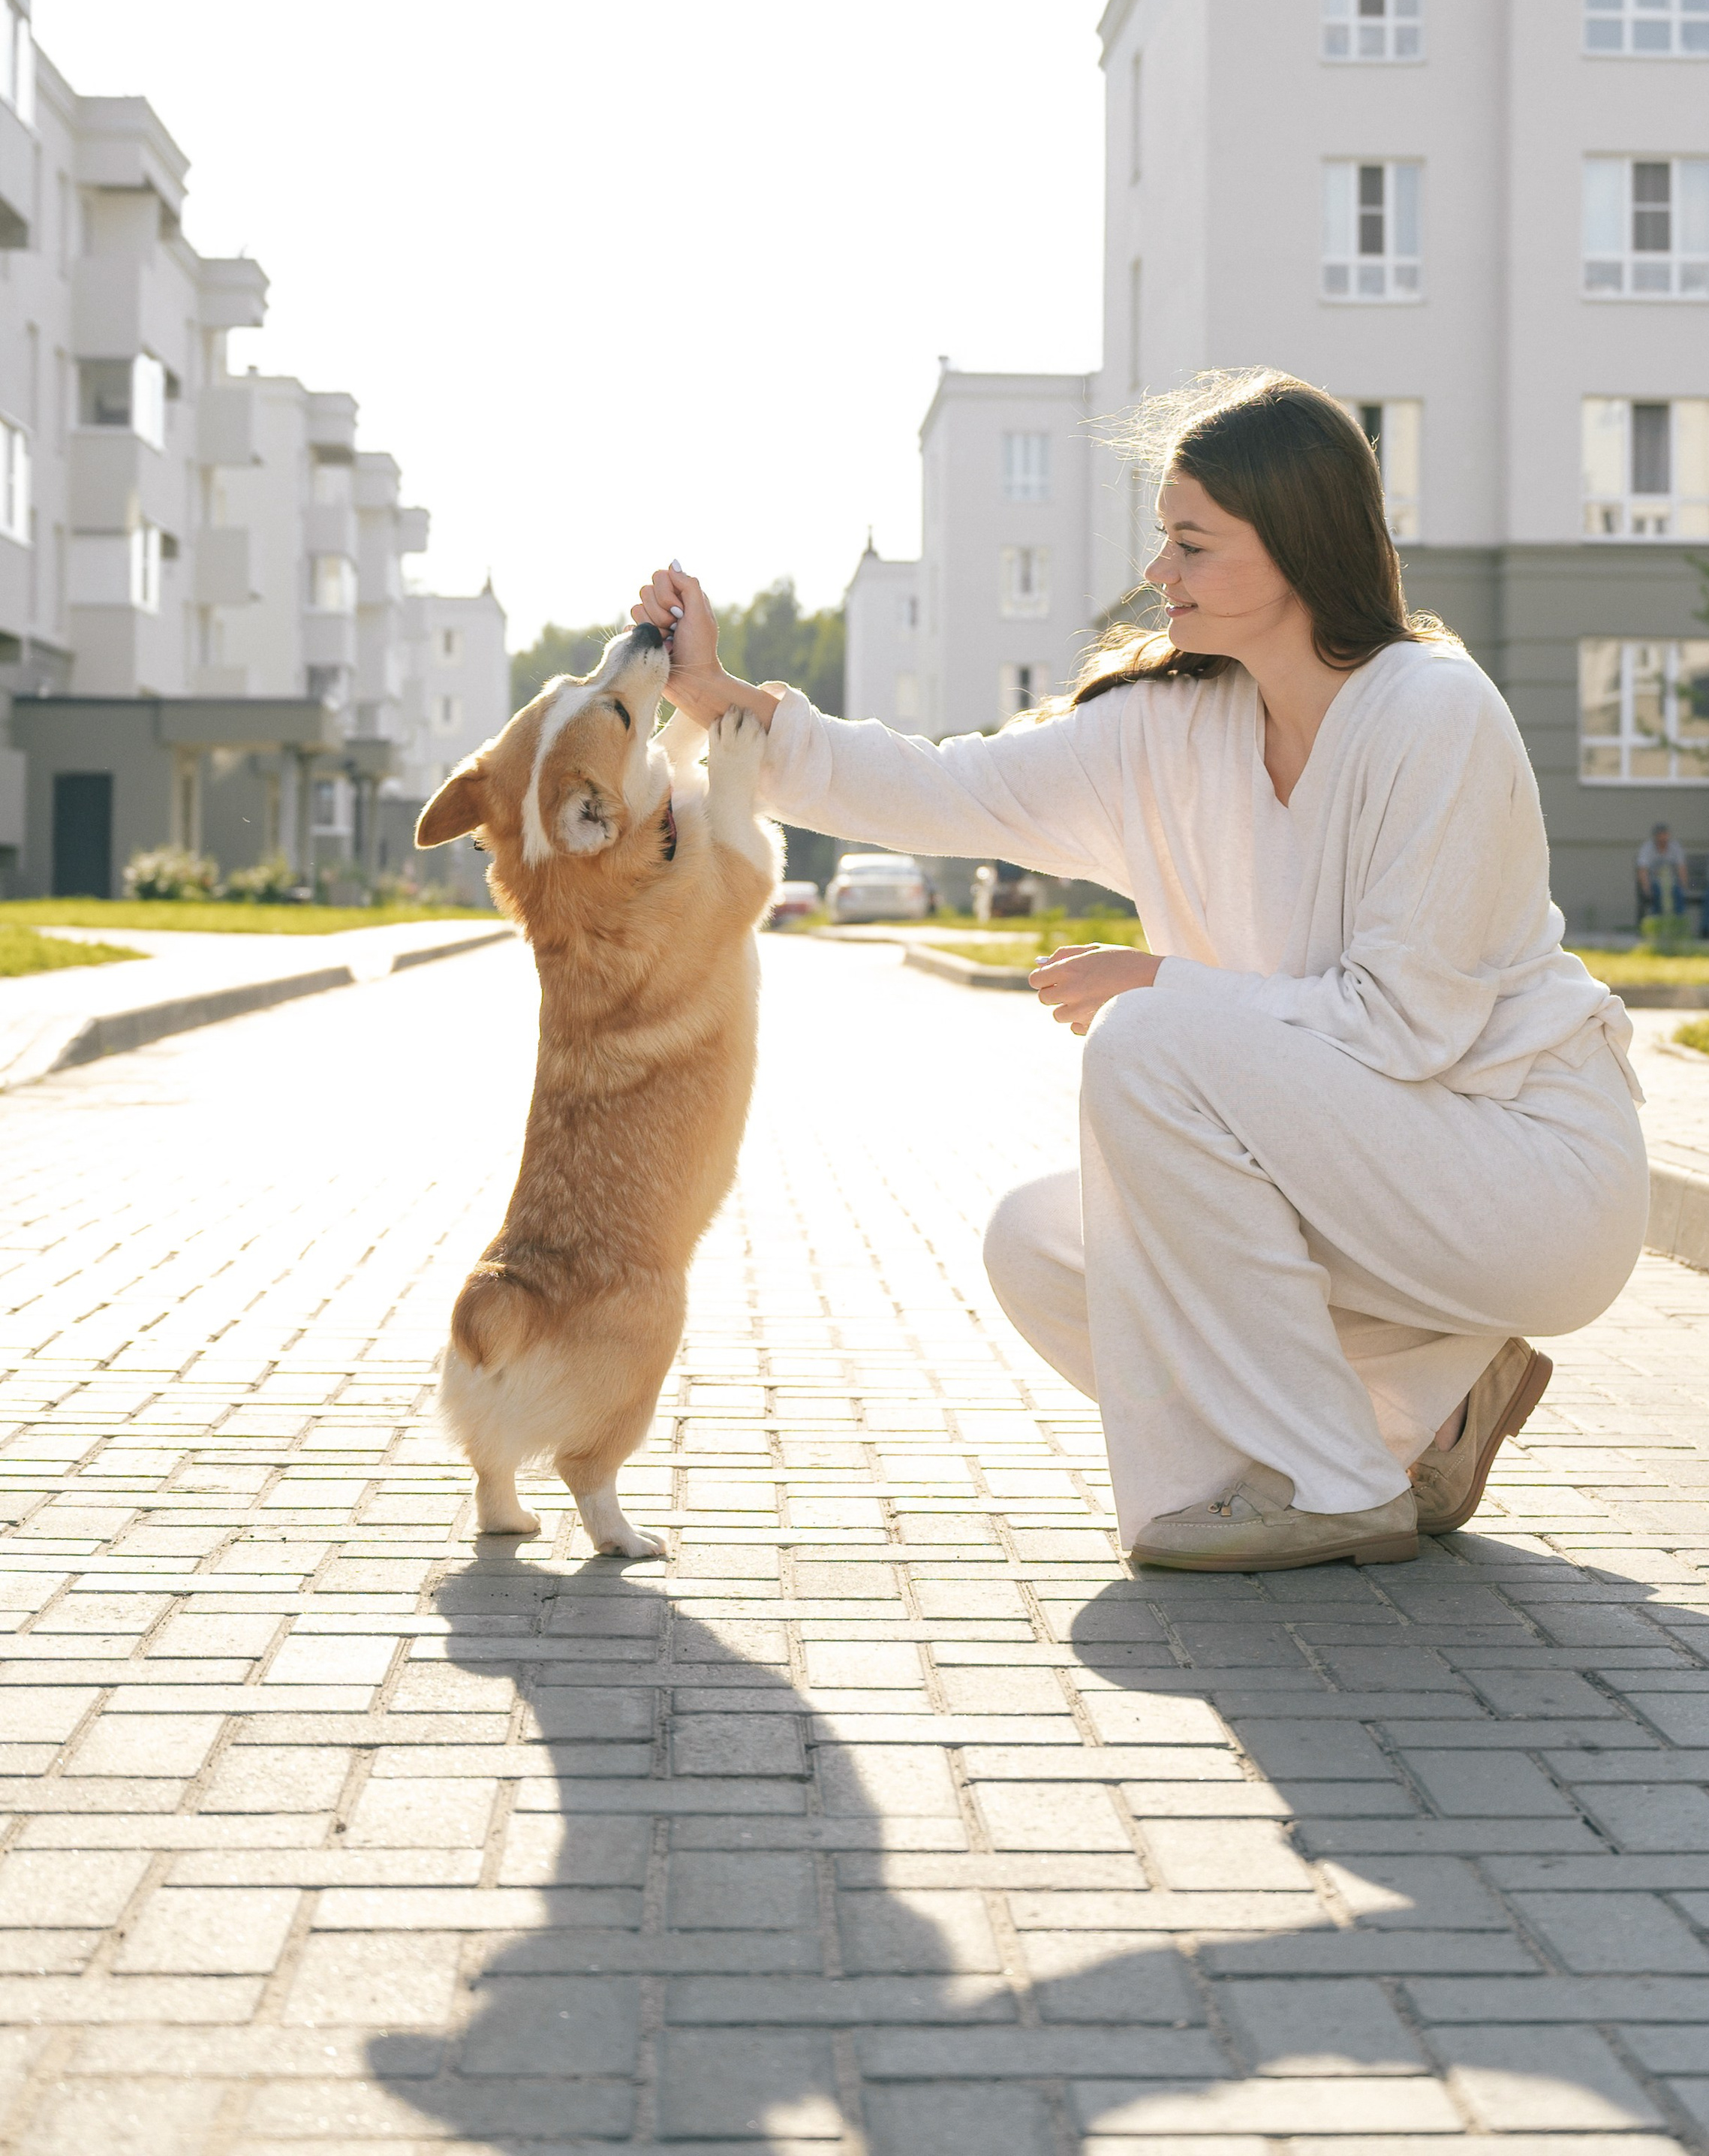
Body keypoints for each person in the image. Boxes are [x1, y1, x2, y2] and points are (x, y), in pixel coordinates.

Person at [631, 370, 1649, 1574]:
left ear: (1301, 549)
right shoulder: (1175, 723)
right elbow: (951, 785)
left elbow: (1407, 1029)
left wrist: (1162, 982)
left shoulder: (1433, 715)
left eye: (1192, 544)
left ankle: (1334, 1487)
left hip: (1524, 1179)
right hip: (1365, 1174)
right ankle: (1428, 1408)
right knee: (1045, 1247)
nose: (1159, 574)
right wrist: (720, 698)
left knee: (1146, 1043)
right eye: (1163, 541)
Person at [1635, 823, 1686, 922]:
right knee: (1657, 892)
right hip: (1654, 882)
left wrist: (1683, 884)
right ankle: (1657, 920)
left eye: (1665, 835)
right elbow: (1642, 869)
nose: (1663, 838)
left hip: (1672, 882)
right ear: (1655, 837)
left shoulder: (1675, 847)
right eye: (1660, 835)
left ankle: (1679, 921)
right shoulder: (1647, 848)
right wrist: (1646, 888)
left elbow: (1681, 867)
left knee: (1678, 892)